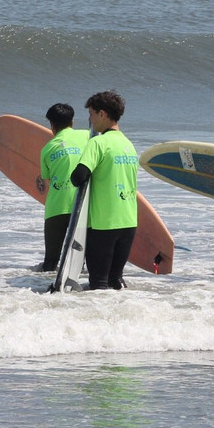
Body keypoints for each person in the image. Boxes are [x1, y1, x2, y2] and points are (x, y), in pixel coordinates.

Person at [69, 91, 138, 290]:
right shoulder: (128, 145)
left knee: (99, 285)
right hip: (129, 222)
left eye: (91, 114)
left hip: (104, 224)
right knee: (115, 281)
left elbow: (78, 176)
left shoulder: (98, 142)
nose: (90, 120)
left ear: (102, 114)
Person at [35, 103, 90, 271]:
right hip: (83, 206)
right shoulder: (88, 137)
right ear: (72, 121)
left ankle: (45, 293)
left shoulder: (47, 149)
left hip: (56, 208)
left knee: (50, 261)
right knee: (80, 261)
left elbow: (46, 179)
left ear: (52, 125)